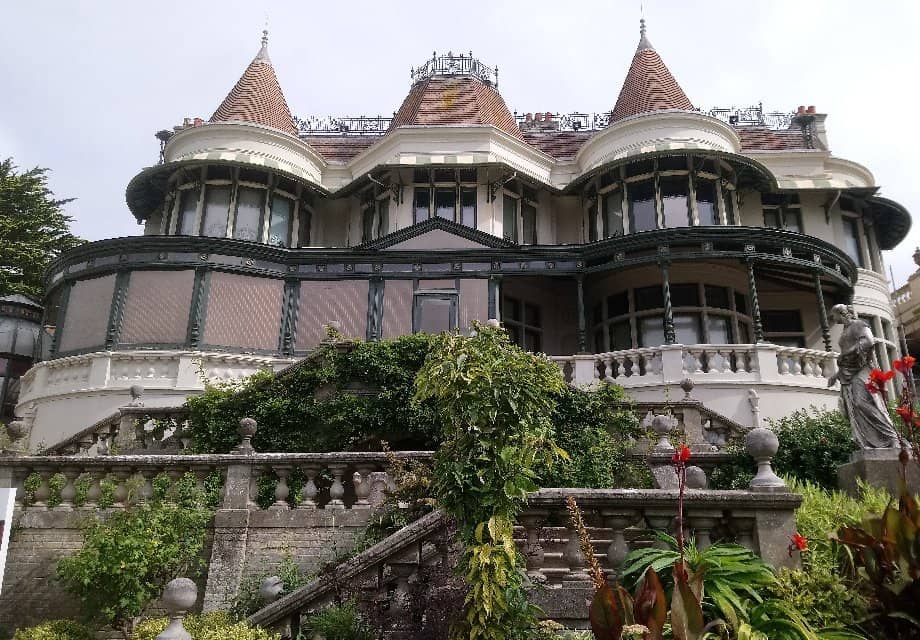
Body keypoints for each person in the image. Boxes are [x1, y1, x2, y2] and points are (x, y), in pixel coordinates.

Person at [827, 304, 901, 449]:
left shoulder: (858, 325)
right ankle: (873, 441)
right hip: (848, 373)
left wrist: (846, 353)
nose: (833, 318)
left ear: (840, 313)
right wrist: (836, 375)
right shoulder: (845, 330)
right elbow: (847, 359)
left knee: (863, 402)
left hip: (862, 369)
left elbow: (868, 341)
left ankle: (892, 437)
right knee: (855, 408)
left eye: (833, 315)